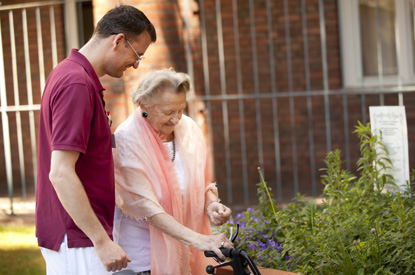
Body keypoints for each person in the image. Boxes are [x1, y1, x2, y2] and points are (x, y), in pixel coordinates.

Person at [35, 5, 156, 274]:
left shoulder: (72, 74)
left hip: (76, 233)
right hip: (79, 237)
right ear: (119, 40)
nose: (136, 64)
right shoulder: (77, 83)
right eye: (137, 55)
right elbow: (61, 173)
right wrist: (101, 240)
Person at [112, 68, 233, 275]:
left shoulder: (189, 129)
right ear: (144, 105)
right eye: (168, 112)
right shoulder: (125, 140)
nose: (176, 119)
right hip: (145, 260)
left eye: (181, 109)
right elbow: (148, 209)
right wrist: (200, 240)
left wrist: (212, 203)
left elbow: (202, 183)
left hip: (190, 250)